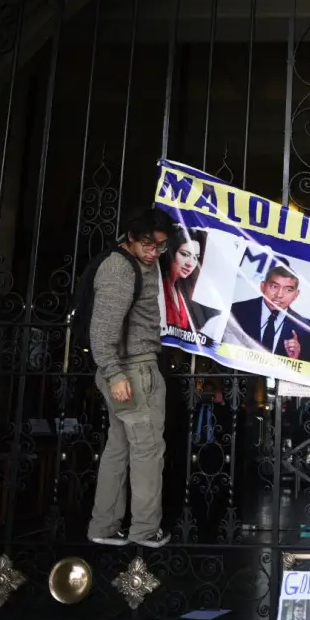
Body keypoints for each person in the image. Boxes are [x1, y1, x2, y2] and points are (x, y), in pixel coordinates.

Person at [87, 208, 174, 549]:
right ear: (130, 238)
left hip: (129, 371)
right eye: (147, 244)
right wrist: (114, 373)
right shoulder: (120, 269)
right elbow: (102, 328)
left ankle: (103, 527)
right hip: (132, 372)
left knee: (119, 449)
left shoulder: (137, 265)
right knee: (147, 452)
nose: (153, 252)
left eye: (160, 246)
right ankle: (144, 532)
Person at [224, 263, 310, 363]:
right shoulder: (235, 311)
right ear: (262, 287)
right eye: (274, 286)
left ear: (296, 295)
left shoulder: (307, 332)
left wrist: (295, 359)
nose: (279, 295)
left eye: (288, 290)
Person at [160, 226, 221, 334]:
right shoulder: (159, 287)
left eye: (195, 257)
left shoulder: (182, 292)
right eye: (184, 254)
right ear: (171, 252)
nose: (190, 263)